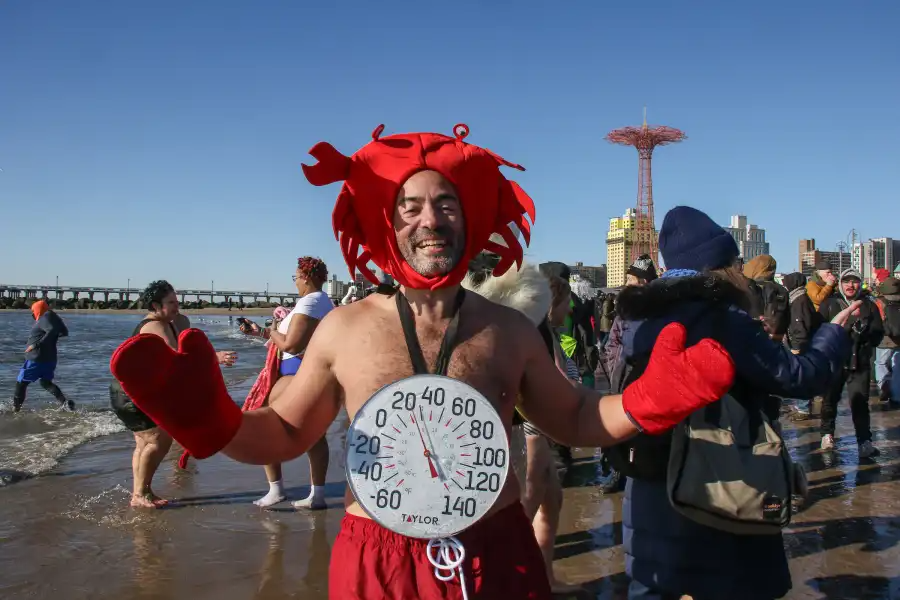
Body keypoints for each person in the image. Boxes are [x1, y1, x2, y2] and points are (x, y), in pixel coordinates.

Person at [111, 125, 737, 598]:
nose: (430, 220)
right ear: (388, 222)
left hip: (496, 549)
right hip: (377, 558)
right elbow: (285, 431)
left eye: (446, 205)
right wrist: (210, 421)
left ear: (470, 218)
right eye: (410, 207)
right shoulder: (344, 329)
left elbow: (573, 417)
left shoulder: (509, 330)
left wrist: (643, 403)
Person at [611, 206, 857, 600]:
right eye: (735, 262)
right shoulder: (722, 318)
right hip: (721, 475)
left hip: (648, 478)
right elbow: (797, 377)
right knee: (731, 585)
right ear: (720, 267)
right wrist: (833, 335)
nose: (741, 270)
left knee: (656, 585)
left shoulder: (636, 318)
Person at [109, 280, 237, 508]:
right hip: (132, 395)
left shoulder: (169, 322)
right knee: (159, 440)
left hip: (132, 392)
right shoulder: (154, 327)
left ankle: (140, 493)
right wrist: (214, 357)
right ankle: (140, 493)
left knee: (144, 443)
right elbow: (177, 359)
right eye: (171, 303)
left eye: (177, 301)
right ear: (155, 306)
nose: (177, 306)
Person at [253, 257, 335, 509]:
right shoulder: (322, 301)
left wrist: (273, 328)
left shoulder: (311, 301)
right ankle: (316, 495)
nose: (295, 282)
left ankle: (276, 490)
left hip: (294, 373)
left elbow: (290, 345)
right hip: (311, 372)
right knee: (315, 436)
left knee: (264, 428)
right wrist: (262, 333)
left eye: (296, 277)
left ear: (306, 277)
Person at [601, 254, 658, 493]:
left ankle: (638, 473)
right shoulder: (623, 310)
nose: (626, 284)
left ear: (643, 282)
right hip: (620, 378)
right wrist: (613, 364)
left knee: (640, 430)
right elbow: (612, 343)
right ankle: (618, 472)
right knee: (619, 428)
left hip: (644, 381)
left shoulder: (658, 311)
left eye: (631, 279)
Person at [818, 268, 884, 457]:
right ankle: (827, 435)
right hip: (834, 362)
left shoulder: (868, 305)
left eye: (854, 281)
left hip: (859, 362)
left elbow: (878, 333)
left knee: (860, 402)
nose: (850, 285)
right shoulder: (830, 303)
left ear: (859, 284)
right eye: (846, 281)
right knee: (829, 400)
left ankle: (864, 442)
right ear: (840, 283)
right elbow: (820, 329)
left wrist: (865, 337)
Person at [13, 299, 73, 412]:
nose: (33, 314)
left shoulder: (44, 317)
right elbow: (64, 332)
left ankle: (15, 410)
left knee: (21, 383)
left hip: (36, 358)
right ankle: (65, 404)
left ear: (38, 310)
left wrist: (36, 344)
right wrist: (50, 338)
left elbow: (52, 330)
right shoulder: (53, 317)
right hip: (50, 359)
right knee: (45, 382)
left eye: (33, 311)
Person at [782, 272, 824, 420]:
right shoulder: (799, 297)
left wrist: (797, 346)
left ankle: (803, 408)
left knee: (801, 377)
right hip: (804, 343)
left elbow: (799, 324)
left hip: (801, 345)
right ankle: (807, 404)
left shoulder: (799, 300)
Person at [874, 276, 900, 404]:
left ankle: (884, 386)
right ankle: (896, 395)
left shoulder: (879, 302)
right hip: (898, 338)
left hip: (884, 339)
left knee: (881, 363)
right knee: (897, 367)